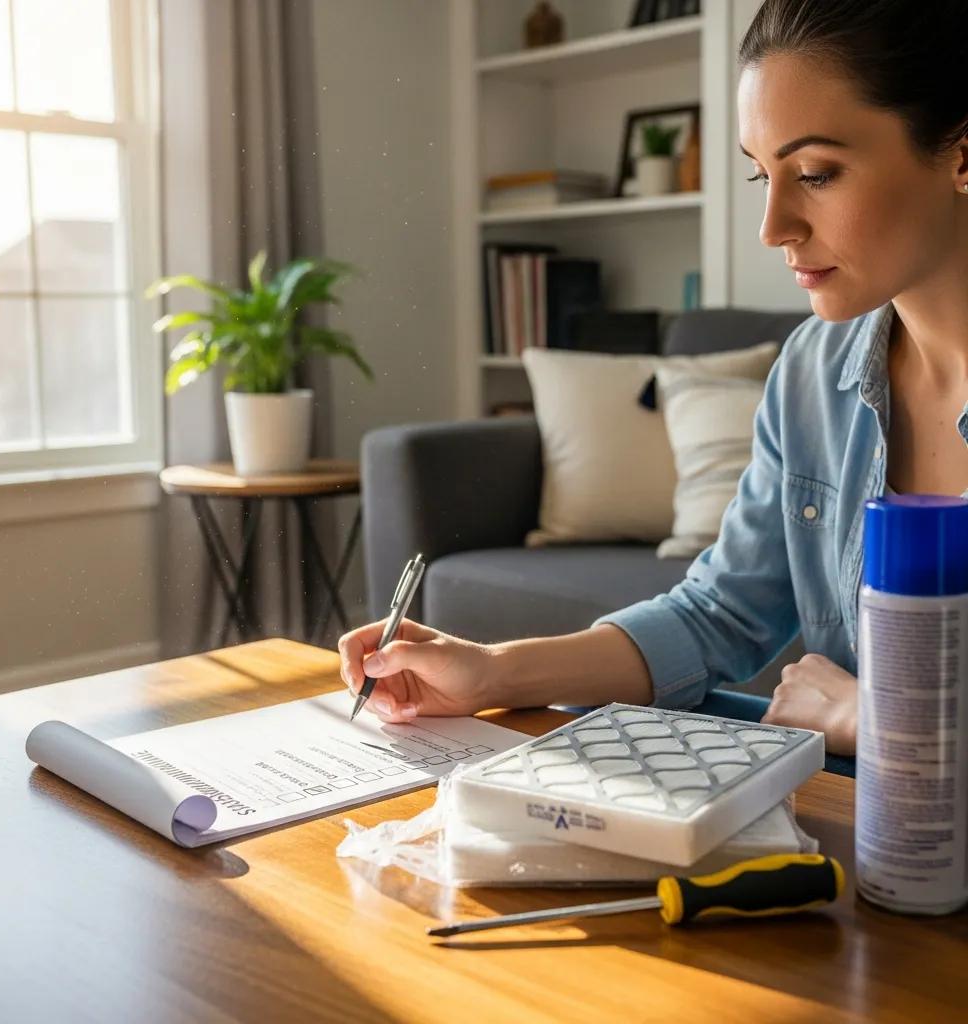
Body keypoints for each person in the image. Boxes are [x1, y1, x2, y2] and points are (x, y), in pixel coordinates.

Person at [339, 0, 968, 757]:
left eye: (815, 173)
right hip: (845, 818)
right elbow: (719, 614)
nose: (773, 226)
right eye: (761, 174)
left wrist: (880, 717)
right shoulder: (810, 371)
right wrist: (492, 671)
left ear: (961, 154)